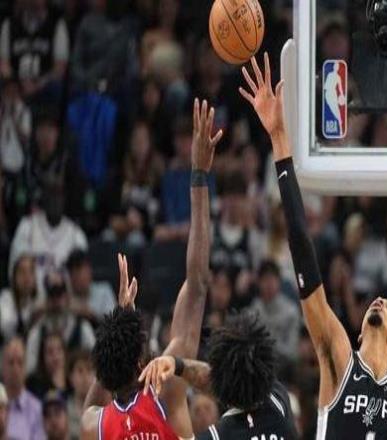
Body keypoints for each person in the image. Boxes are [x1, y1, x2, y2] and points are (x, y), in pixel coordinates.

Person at [239, 54, 387, 440]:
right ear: (356, 335)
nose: (380, 302)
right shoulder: (338, 355)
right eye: (379, 303)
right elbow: (302, 248)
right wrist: (279, 137)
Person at [81, 98, 222, 439]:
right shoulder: (164, 395)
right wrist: (199, 174)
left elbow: (90, 405)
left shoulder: (93, 426)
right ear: (140, 363)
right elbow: (197, 284)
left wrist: (121, 326)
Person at [139, 313, 299, 440]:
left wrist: (178, 365)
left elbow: (213, 380)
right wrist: (178, 364)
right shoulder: (279, 401)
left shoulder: (219, 434)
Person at [25, 271, 95, 374]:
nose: (56, 301)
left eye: (59, 295)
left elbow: (96, 364)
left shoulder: (83, 328)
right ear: (46, 300)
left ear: (67, 297)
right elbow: (29, 371)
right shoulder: (37, 332)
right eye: (52, 296)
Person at [248, 260, 301, 362]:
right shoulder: (252, 312)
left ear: (279, 281)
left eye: (272, 279)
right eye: (265, 279)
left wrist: (268, 346)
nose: (269, 284)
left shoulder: (291, 311)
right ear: (258, 283)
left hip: (283, 365)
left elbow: (292, 352)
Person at [2, 337, 45, 440]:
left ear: (26, 368)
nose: (15, 368)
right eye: (11, 362)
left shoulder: (36, 409)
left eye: (20, 363)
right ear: (2, 367)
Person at [66, 249, 116, 325]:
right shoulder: (66, 297)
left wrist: (90, 314)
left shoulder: (104, 291)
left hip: (101, 330)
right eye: (72, 271)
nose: (75, 275)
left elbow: (114, 322)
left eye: (79, 269)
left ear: (89, 270)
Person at [0, 254, 39, 341]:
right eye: (22, 272)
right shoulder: (5, 298)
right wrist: (31, 319)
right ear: (14, 277)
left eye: (31, 272)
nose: (27, 277)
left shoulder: (36, 302)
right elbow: (6, 328)